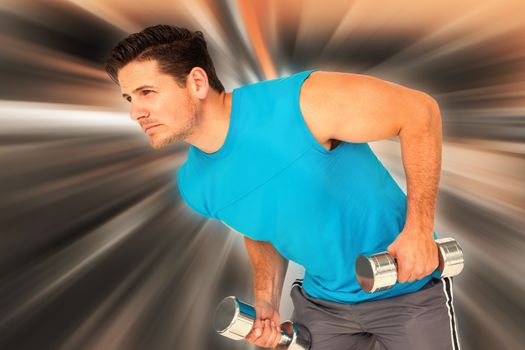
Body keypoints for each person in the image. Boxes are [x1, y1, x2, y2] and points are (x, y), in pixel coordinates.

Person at [105, 24, 461, 350]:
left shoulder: (302, 102)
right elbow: (260, 227)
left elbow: (419, 112)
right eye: (129, 99)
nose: (136, 112)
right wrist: (266, 300)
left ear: (196, 82)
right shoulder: (195, 185)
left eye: (146, 92)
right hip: (322, 306)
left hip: (407, 290)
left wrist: (418, 230)